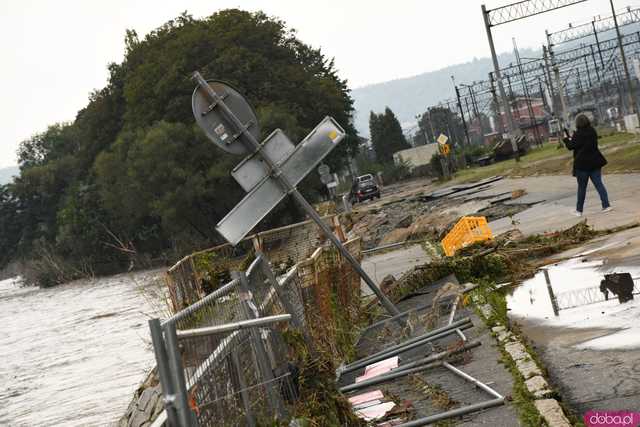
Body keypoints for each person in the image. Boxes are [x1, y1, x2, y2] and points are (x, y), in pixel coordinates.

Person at [563, 114, 612, 217]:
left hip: (582, 165)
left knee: (582, 188)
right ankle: (606, 205)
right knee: (599, 184)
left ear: (577, 123)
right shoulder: (592, 131)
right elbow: (584, 142)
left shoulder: (578, 134)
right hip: (595, 162)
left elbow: (571, 146)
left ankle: (579, 211)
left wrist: (566, 139)